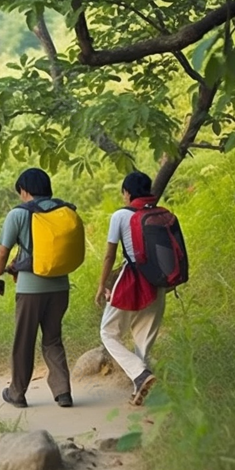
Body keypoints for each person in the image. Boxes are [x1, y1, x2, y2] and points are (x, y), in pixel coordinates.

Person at [0, 168, 73, 408]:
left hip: (31, 289)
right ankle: (63, 391)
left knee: (24, 340)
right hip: (60, 286)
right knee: (53, 339)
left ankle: (17, 392)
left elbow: (3, 251)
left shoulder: (19, 214)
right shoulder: (62, 211)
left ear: (24, 190)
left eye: (20, 193)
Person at [95, 171, 162, 406]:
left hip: (133, 279)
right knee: (143, 338)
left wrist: (102, 284)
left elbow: (109, 254)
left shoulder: (121, 215)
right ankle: (141, 389)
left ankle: (141, 375)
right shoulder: (159, 214)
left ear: (127, 192)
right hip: (158, 282)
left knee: (108, 332)